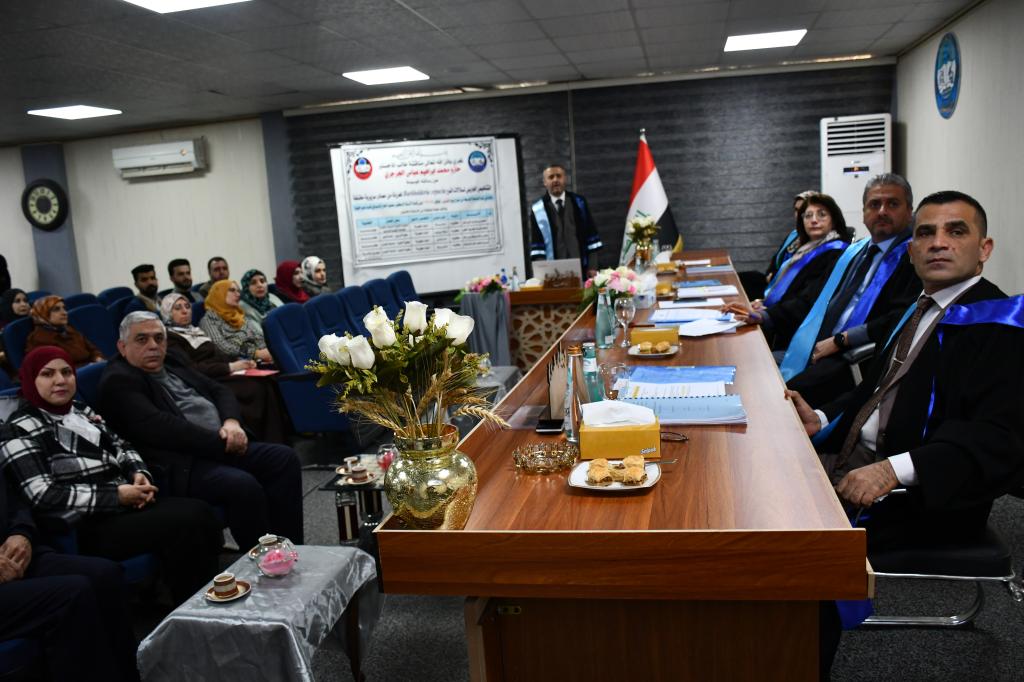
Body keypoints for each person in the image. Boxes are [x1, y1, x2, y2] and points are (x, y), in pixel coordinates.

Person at [788, 191, 1024, 676]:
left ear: (984, 248)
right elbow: (875, 393)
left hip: (928, 497)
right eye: (925, 233)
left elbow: (999, 439)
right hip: (861, 462)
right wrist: (823, 419)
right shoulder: (919, 308)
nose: (938, 243)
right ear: (912, 250)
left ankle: (801, 658)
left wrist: (892, 471)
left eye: (956, 231)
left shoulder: (1001, 326)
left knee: (790, 543)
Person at [0, 346, 224, 604]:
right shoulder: (19, 428)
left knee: (199, 512)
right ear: (31, 380)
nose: (60, 380)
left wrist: (138, 472)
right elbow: (42, 494)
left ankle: (204, 598)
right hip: (86, 523)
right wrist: (117, 495)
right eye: (47, 374)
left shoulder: (80, 410)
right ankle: (196, 607)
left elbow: (122, 446)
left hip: (125, 504)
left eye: (66, 372)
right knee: (189, 519)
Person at [97, 312, 303, 551]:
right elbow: (164, 428)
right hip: (181, 463)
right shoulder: (119, 380)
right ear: (122, 347)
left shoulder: (171, 360)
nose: (153, 346)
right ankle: (265, 560)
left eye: (158, 338)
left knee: (283, 458)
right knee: (242, 485)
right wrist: (224, 442)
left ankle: (292, 549)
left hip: (219, 443)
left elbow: (219, 390)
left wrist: (232, 423)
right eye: (142, 339)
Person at [742, 174, 922, 405]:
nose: (882, 211)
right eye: (874, 204)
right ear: (864, 212)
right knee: (749, 369)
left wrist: (841, 340)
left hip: (855, 358)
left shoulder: (914, 258)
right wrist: (764, 316)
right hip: (814, 346)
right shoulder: (853, 253)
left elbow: (902, 317)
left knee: (777, 397)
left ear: (909, 211)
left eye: (893, 204)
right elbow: (811, 298)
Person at [0, 465, 140, 681]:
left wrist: (21, 533)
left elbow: (13, 502)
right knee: (72, 594)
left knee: (104, 575)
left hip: (10, 555)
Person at [728, 193, 853, 350]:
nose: (814, 220)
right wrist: (763, 303)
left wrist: (767, 314)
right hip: (782, 319)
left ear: (834, 220)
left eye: (822, 215)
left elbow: (807, 301)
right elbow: (791, 289)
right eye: (808, 216)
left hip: (797, 334)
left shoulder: (835, 253)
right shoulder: (806, 248)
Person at [161, 294, 289, 442]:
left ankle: (280, 436)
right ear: (167, 313)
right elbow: (191, 369)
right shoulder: (170, 338)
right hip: (206, 379)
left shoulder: (194, 330)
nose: (185, 311)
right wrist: (230, 367)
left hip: (221, 371)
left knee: (268, 379)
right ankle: (260, 439)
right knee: (254, 387)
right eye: (177, 308)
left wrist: (242, 362)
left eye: (187, 306)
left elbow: (218, 354)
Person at [737, 190, 818, 300]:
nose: (798, 214)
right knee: (742, 278)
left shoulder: (815, 240)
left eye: (803, 210)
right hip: (774, 281)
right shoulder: (794, 234)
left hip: (786, 290)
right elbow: (776, 259)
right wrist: (771, 273)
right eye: (796, 210)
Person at [528, 163, 602, 276]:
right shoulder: (538, 210)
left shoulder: (579, 203)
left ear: (565, 179)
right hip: (553, 273)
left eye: (559, 176)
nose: (555, 180)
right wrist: (543, 273)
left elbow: (591, 236)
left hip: (582, 268)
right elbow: (537, 245)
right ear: (545, 182)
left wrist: (592, 267)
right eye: (551, 177)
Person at [199, 280, 273, 364]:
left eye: (238, 291)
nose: (238, 294)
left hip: (259, 360)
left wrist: (266, 351)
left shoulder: (239, 314)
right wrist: (256, 353)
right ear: (219, 294)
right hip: (236, 363)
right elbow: (222, 347)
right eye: (232, 290)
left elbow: (258, 337)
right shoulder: (209, 320)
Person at [25, 295, 104, 367]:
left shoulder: (69, 329)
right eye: (56, 309)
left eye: (64, 308)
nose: (64, 313)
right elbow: (55, 368)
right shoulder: (38, 339)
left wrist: (97, 358)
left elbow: (92, 349)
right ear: (43, 313)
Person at [0, 288, 30, 374]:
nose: (23, 304)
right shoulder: (3, 330)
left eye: (25, 301)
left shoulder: (34, 323)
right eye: (17, 301)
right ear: (8, 304)